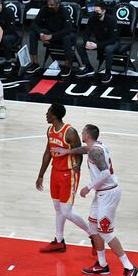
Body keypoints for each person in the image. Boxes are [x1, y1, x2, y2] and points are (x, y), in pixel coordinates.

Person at [51, 125, 138, 276]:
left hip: (108, 194)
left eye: (83, 131)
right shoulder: (96, 147)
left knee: (106, 231)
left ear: (88, 135)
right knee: (93, 227)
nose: (81, 133)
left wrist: (88, 187)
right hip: (102, 194)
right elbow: (85, 149)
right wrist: (67, 152)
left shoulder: (95, 152)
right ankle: (102, 264)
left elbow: (105, 172)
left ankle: (130, 268)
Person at [35, 104, 94, 253]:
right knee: (58, 208)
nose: (46, 114)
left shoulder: (70, 132)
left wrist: (78, 166)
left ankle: (93, 234)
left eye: (48, 112)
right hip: (56, 171)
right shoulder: (50, 130)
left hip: (69, 173)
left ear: (54, 115)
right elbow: (48, 153)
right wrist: (41, 174)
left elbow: (81, 150)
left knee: (66, 211)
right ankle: (59, 241)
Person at [25, 0, 74, 77]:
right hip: (48, 33)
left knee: (67, 37)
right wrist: (41, 33)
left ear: (58, 4)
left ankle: (67, 66)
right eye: (48, 4)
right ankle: (35, 63)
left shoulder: (64, 11)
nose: (49, 6)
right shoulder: (45, 9)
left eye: (52, 5)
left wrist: (51, 36)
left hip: (61, 34)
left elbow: (68, 29)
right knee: (32, 33)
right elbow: (34, 23)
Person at [76, 1, 119, 83]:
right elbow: (86, 34)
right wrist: (87, 42)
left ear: (103, 11)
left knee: (108, 49)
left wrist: (97, 46)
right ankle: (88, 67)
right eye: (94, 11)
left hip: (113, 42)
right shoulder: (92, 19)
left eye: (97, 12)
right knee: (80, 44)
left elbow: (113, 39)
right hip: (99, 40)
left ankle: (108, 72)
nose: (95, 14)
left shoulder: (112, 20)